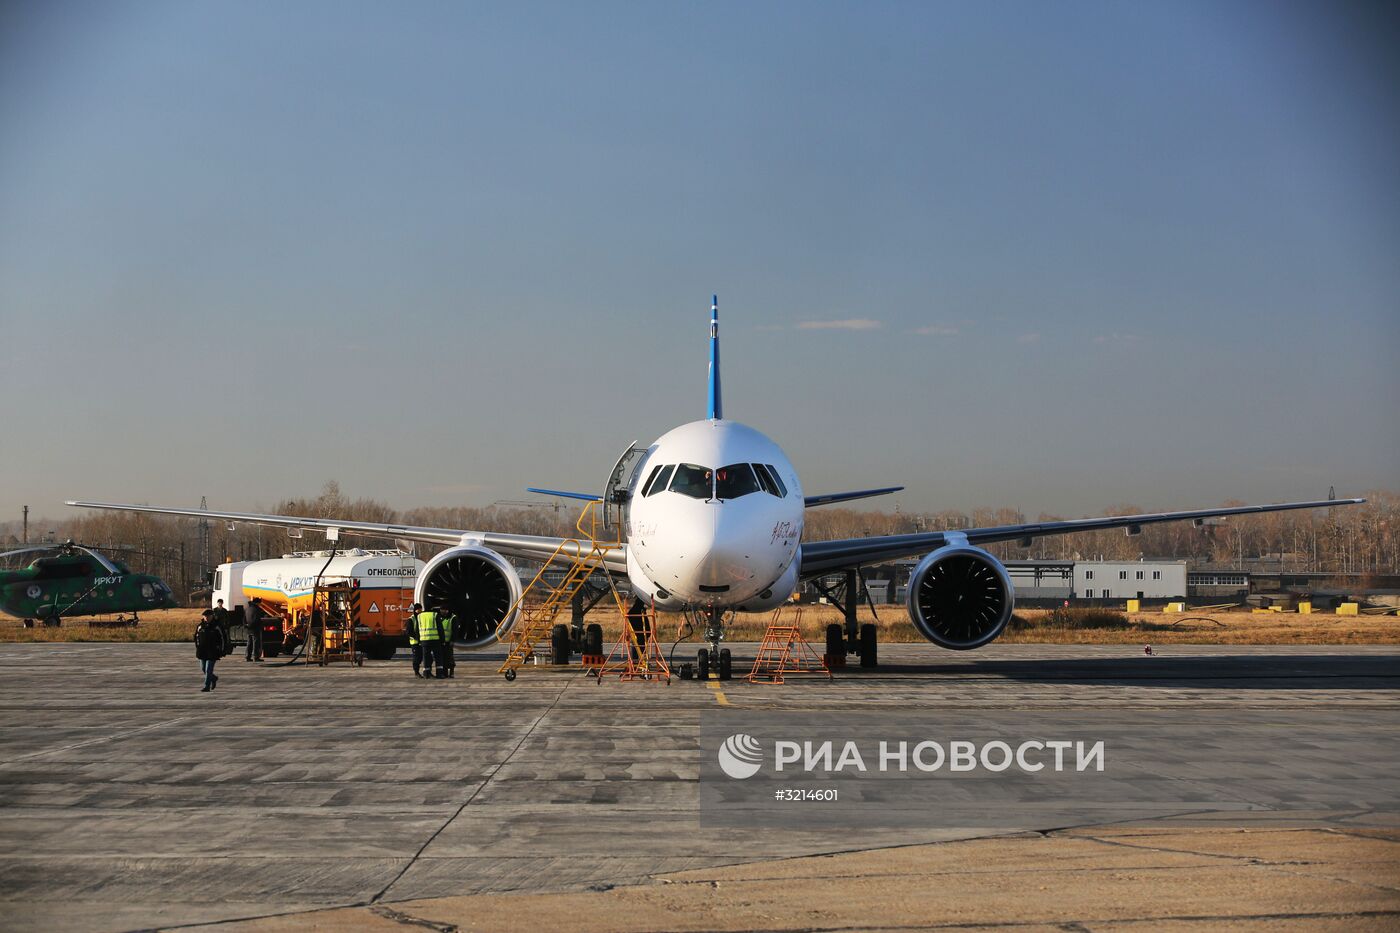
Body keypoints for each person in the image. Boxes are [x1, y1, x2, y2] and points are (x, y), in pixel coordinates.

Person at [415, 604, 444, 679]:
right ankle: (439, 673)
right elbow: (440, 628)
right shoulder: (435, 615)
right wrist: (442, 639)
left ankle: (426, 673)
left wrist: (419, 640)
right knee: (438, 657)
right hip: (435, 640)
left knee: (426, 657)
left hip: (424, 640)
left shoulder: (419, 616)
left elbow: (417, 630)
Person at [195, 610, 222, 691]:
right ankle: (213, 678)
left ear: (212, 616)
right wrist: (198, 648)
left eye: (208, 616)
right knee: (203, 669)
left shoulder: (217, 626)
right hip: (202, 651)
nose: (206, 618)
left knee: (208, 670)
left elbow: (223, 638)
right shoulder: (200, 626)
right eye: (205, 616)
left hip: (212, 651)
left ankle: (206, 686)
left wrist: (221, 650)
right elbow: (196, 638)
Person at [244, 598, 265, 662]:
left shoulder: (247, 608)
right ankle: (256, 657)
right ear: (257, 603)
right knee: (256, 643)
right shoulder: (257, 609)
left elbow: (244, 618)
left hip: (248, 628)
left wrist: (246, 625)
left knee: (249, 643)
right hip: (255, 628)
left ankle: (247, 657)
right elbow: (257, 619)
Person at [408, 603, 425, 678]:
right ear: (415, 610)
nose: (420, 610)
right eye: (418, 609)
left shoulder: (421, 617)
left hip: (422, 641)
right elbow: (409, 632)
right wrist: (416, 637)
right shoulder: (411, 619)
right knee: (416, 658)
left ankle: (423, 671)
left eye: (421, 609)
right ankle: (416, 672)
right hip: (415, 642)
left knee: (421, 657)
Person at [439, 609, 457, 678]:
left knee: (450, 657)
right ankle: (445, 673)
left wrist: (452, 640)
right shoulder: (440, 617)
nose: (442, 611)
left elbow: (455, 630)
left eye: (444, 610)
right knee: (443, 658)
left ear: (447, 610)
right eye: (441, 610)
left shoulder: (453, 618)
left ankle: (451, 672)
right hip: (442, 642)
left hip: (449, 642)